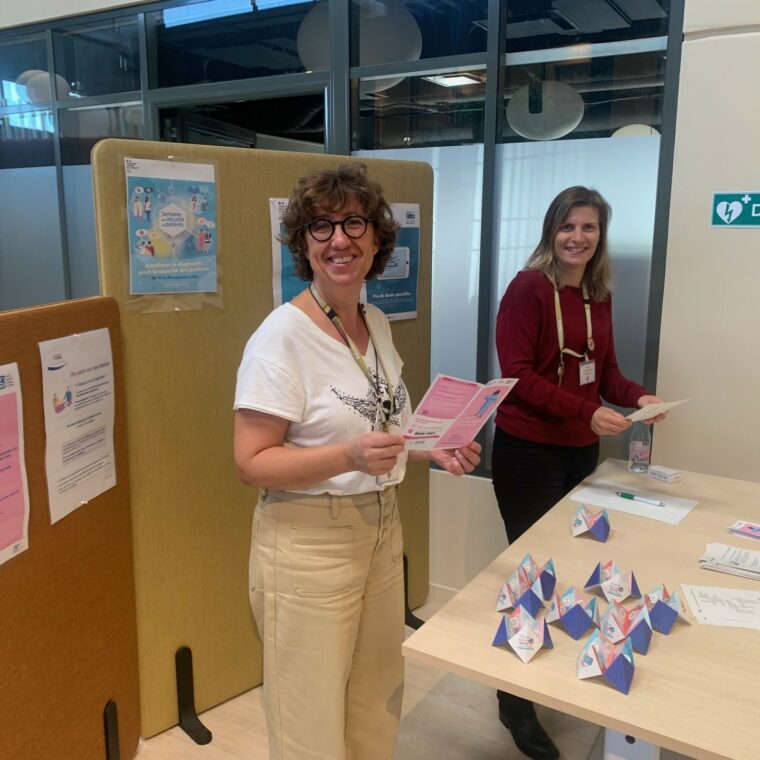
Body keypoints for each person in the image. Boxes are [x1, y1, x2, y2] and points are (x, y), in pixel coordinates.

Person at [233, 163, 481, 760]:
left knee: (377, 699)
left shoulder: (373, 321)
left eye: (353, 223)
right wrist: (345, 456)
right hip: (308, 542)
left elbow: (381, 427)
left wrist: (427, 447)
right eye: (321, 227)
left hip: (379, 529)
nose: (339, 240)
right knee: (308, 719)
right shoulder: (281, 337)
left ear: (376, 240)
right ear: (303, 243)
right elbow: (252, 462)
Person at [491, 186, 666, 760]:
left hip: (577, 450)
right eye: (568, 227)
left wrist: (641, 399)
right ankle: (514, 705)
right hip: (528, 451)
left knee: (569, 571)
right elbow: (516, 373)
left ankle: (551, 677)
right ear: (551, 231)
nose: (578, 238)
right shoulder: (528, 289)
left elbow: (605, 372)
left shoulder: (597, 292)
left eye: (589, 228)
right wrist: (587, 410)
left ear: (600, 236)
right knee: (532, 576)